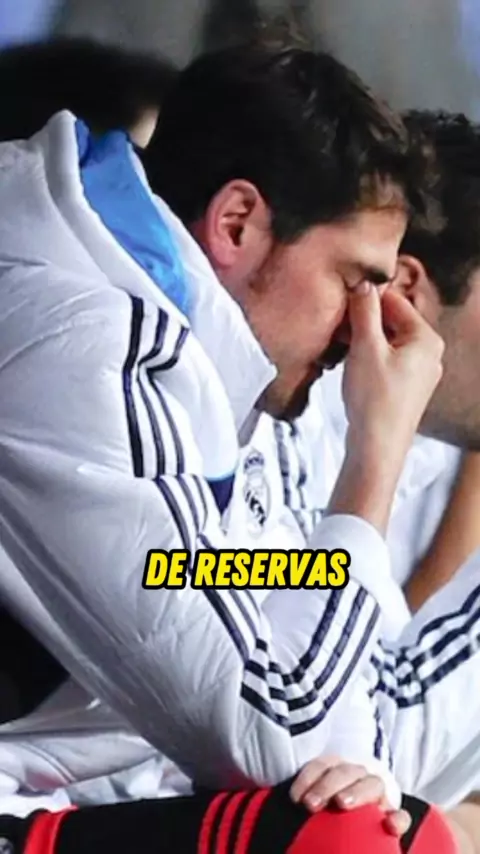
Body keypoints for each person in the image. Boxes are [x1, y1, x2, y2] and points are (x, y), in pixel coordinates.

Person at [0, 32, 445, 821]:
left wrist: (353, 769)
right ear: (236, 224)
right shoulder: (88, 346)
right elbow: (271, 728)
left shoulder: (215, 353)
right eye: (355, 280)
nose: (366, 330)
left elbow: (270, 613)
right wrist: (376, 455)